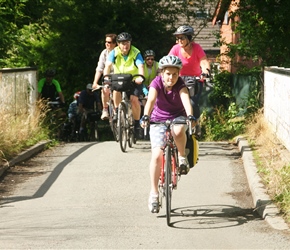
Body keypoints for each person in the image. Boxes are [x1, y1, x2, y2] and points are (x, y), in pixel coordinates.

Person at [140, 55, 196, 213]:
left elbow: (186, 100)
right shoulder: (156, 83)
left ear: (178, 74)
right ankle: (154, 194)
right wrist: (146, 115)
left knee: (178, 130)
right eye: (168, 74)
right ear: (161, 73)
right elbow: (150, 100)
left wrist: (190, 116)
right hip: (158, 119)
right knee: (157, 156)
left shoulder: (180, 84)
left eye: (174, 74)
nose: (171, 77)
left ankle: (182, 156)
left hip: (177, 116)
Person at [169, 25, 210, 136]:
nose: (179, 41)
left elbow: (204, 62)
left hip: (195, 80)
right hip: (179, 80)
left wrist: (205, 72)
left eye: (182, 38)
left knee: (192, 103)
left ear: (189, 38)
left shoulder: (197, 48)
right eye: (177, 38)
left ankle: (195, 123)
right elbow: (169, 62)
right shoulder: (175, 49)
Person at [103, 32, 145, 138]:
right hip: (119, 78)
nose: (125, 45)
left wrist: (140, 77)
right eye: (122, 43)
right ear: (118, 44)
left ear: (130, 43)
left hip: (133, 79)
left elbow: (140, 66)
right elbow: (107, 66)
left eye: (127, 43)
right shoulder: (114, 52)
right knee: (116, 90)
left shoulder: (136, 52)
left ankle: (136, 124)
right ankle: (117, 111)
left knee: (134, 100)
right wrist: (106, 78)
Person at [92, 33, 117, 120]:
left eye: (109, 42)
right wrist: (95, 82)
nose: (107, 44)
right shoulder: (104, 53)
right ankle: (105, 109)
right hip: (108, 77)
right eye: (106, 42)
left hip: (118, 76)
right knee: (105, 89)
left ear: (115, 44)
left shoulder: (119, 52)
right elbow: (100, 69)